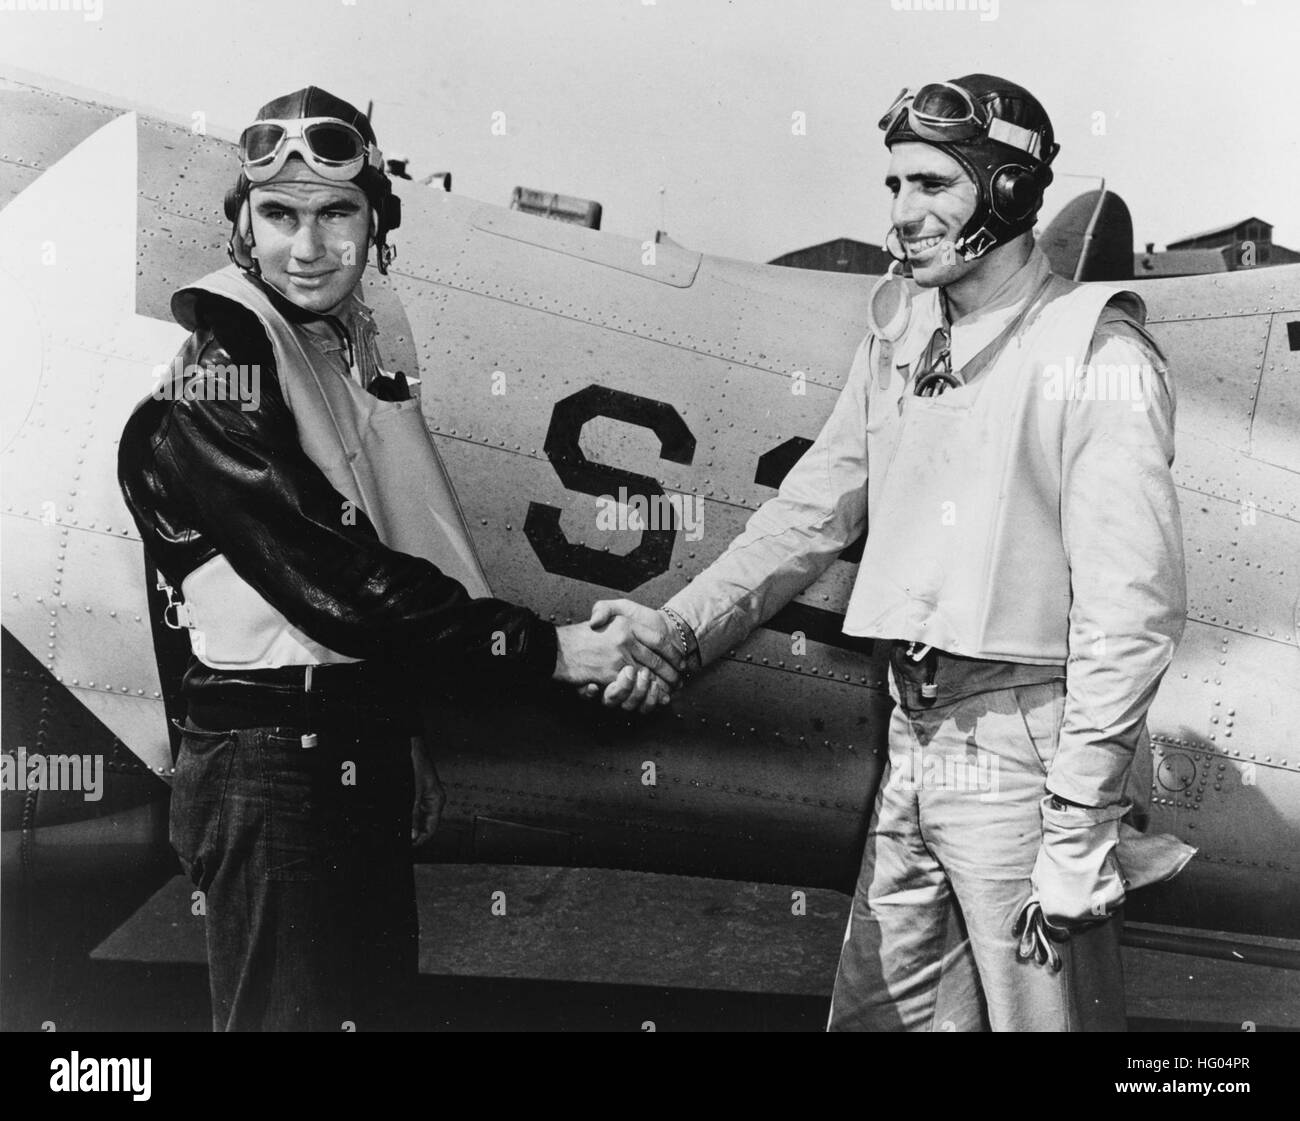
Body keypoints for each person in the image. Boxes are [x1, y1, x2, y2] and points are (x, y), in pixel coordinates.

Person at [590, 75, 1195, 1031]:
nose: (901, 215)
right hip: (915, 734)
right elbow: (809, 515)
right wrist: (675, 629)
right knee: (883, 1019)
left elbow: (1134, 613)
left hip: (1025, 753)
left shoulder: (1099, 353)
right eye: (894, 186)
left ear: (1002, 193)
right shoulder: (904, 332)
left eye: (930, 186)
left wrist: (1078, 827)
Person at [118, 86, 680, 1031]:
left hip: (340, 749)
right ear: (243, 229)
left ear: (377, 222)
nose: (309, 246)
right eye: (280, 215)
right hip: (267, 768)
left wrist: (395, 731)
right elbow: (339, 583)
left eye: (337, 213)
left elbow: (361, 561)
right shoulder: (216, 384)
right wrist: (547, 651)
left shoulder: (328, 354)